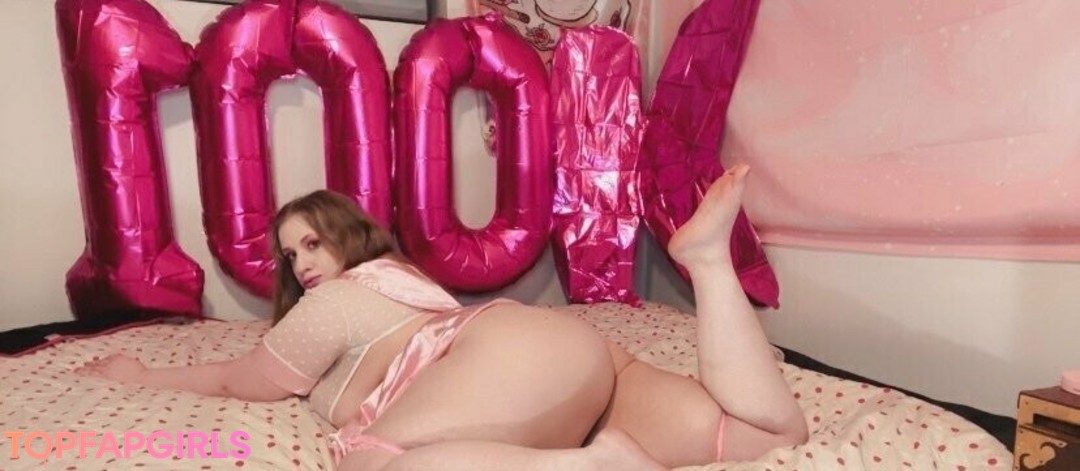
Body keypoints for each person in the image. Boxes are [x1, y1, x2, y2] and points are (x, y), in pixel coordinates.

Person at [76, 164, 808, 470]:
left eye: (312, 242)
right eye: (289, 254)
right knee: (770, 436)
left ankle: (593, 465)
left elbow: (244, 380)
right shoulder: (409, 284)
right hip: (569, 359)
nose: (300, 264)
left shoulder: (337, 299)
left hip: (513, 362)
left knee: (371, 462)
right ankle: (709, 266)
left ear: (348, 237)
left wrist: (142, 373)